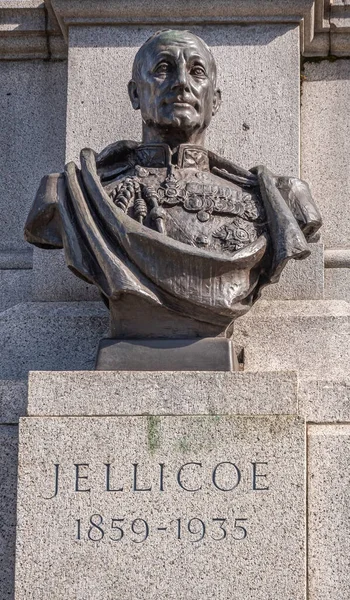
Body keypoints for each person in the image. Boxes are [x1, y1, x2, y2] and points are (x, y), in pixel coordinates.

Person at [24, 29, 321, 333]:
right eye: (163, 69)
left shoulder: (277, 199)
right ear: (135, 94)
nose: (181, 82)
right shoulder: (75, 193)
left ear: (214, 100)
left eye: (196, 71)